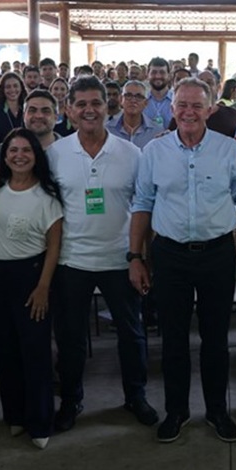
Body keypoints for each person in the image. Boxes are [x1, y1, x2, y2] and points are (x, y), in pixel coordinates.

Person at [129, 78, 236, 444]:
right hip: (169, 256)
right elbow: (142, 204)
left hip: (218, 254)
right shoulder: (155, 151)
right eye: (182, 105)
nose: (189, 112)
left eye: (197, 106)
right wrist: (136, 257)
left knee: (215, 339)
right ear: (171, 109)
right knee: (173, 339)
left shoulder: (229, 150)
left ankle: (217, 410)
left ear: (211, 109)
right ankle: (177, 411)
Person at [47, 77, 158, 433]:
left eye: (95, 103)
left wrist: (140, 256)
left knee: (132, 333)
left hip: (120, 258)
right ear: (69, 110)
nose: (89, 110)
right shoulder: (56, 154)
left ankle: (135, 396)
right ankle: (71, 400)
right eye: (81, 104)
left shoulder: (132, 154)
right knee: (70, 338)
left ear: (107, 107)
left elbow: (143, 207)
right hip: (71, 259)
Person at [0, 128, 63, 449]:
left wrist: (43, 286)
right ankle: (15, 415)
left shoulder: (46, 197)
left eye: (26, 150)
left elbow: (54, 246)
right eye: (12, 150)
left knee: (35, 353)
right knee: (4, 350)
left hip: (31, 276)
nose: (19, 156)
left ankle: (40, 422)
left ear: (36, 156)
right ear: (4, 157)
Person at [106, 79, 163, 148]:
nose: (133, 100)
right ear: (121, 99)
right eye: (128, 95)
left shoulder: (156, 132)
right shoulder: (107, 130)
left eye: (139, 97)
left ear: (146, 103)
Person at [0, 71, 25, 144]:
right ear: (2, 90)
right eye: (8, 87)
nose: (12, 90)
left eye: (15, 86)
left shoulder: (28, 110)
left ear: (21, 87)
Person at [143, 57, 174, 130]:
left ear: (169, 75)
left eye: (162, 72)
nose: (158, 76)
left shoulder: (177, 100)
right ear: (147, 75)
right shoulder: (141, 101)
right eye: (154, 72)